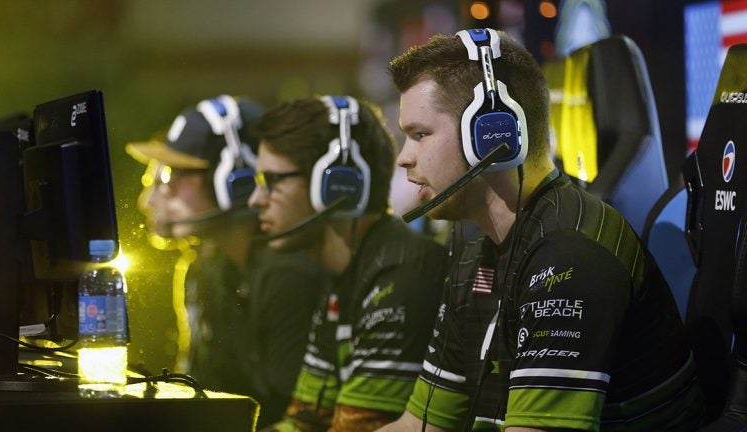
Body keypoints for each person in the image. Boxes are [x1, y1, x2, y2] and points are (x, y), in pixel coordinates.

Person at [377, 29, 706, 431]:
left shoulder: (571, 254)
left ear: (490, 135)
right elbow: (418, 425)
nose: (404, 158)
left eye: (419, 134)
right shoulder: (472, 247)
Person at [247, 95, 449, 431]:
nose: (255, 200)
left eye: (271, 181)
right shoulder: (344, 277)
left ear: (336, 184)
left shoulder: (401, 274)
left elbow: (358, 427)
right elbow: (303, 422)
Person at [126, 95, 327, 427]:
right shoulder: (206, 268)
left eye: (169, 177)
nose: (147, 200)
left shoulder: (289, 275)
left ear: (236, 179)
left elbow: (305, 419)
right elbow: (196, 390)